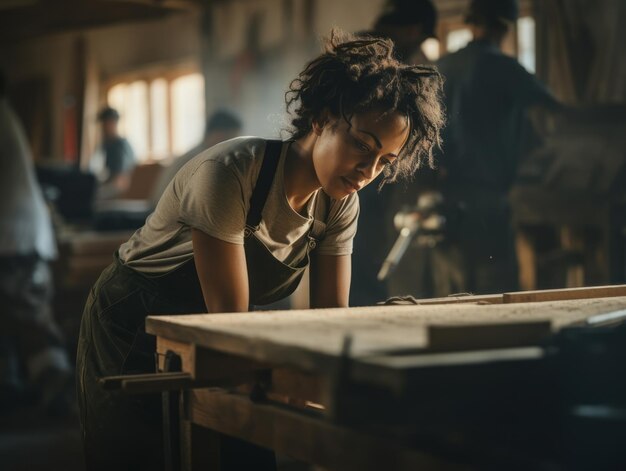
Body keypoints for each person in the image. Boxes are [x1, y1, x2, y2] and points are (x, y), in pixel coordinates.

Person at [76, 31, 444, 469]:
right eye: (362, 145)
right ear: (322, 118)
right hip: (130, 323)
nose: (368, 170)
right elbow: (230, 323)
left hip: (218, 333)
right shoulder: (230, 175)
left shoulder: (340, 204)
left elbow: (330, 319)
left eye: (384, 160)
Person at [431, 0, 562, 295]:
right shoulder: (503, 67)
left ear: (471, 22)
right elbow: (553, 109)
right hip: (487, 194)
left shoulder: (442, 66)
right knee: (496, 286)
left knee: (451, 288)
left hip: (444, 195)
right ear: (504, 27)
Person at [351, 0, 439, 305]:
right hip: (361, 173)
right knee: (358, 254)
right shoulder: (368, 54)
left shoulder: (413, 59)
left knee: (376, 259)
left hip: (387, 174)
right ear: (414, 30)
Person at [0, 69, 73, 415]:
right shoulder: (7, 114)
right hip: (15, 235)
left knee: (28, 314)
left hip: (14, 239)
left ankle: (57, 388)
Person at [149, 109, 243, 207]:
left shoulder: (203, 155)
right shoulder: (200, 161)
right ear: (218, 136)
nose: (235, 147)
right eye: (233, 139)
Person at [90, 106, 136, 200]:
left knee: (93, 197)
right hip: (113, 183)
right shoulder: (106, 144)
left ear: (113, 123)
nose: (103, 127)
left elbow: (120, 179)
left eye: (105, 123)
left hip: (122, 187)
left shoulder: (120, 145)